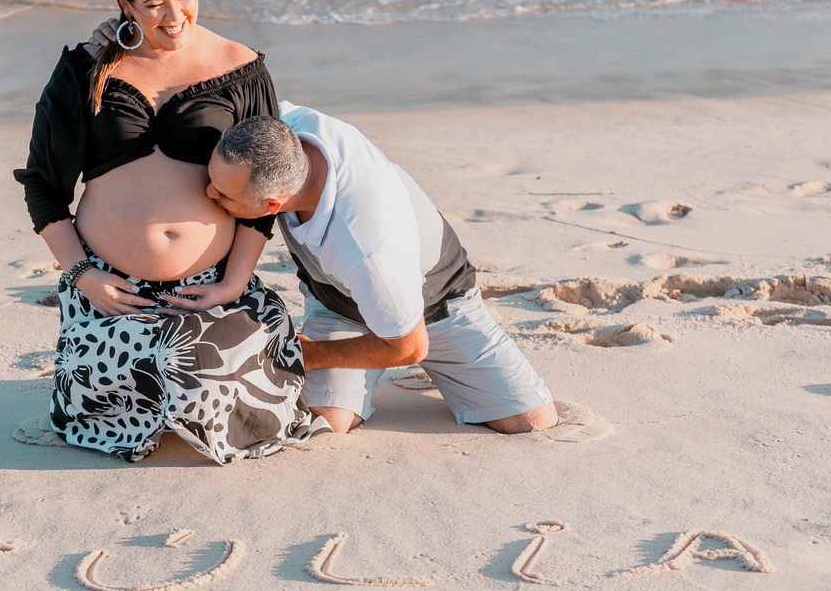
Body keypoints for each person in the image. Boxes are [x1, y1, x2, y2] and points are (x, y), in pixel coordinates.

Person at [13, 0, 327, 464]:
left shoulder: (242, 68)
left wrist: (233, 283)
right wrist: (83, 276)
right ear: (123, 1)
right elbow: (42, 186)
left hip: (207, 289)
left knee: (215, 396)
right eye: (153, 3)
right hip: (110, 290)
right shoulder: (86, 70)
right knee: (106, 404)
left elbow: (261, 196)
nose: (175, 16)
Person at [181, 103, 559, 435]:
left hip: (437, 304)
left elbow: (410, 347)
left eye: (222, 194)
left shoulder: (366, 249)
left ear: (273, 204)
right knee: (324, 422)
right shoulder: (286, 124)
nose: (208, 193)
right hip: (337, 303)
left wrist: (315, 355)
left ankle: (432, 359)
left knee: (530, 420)